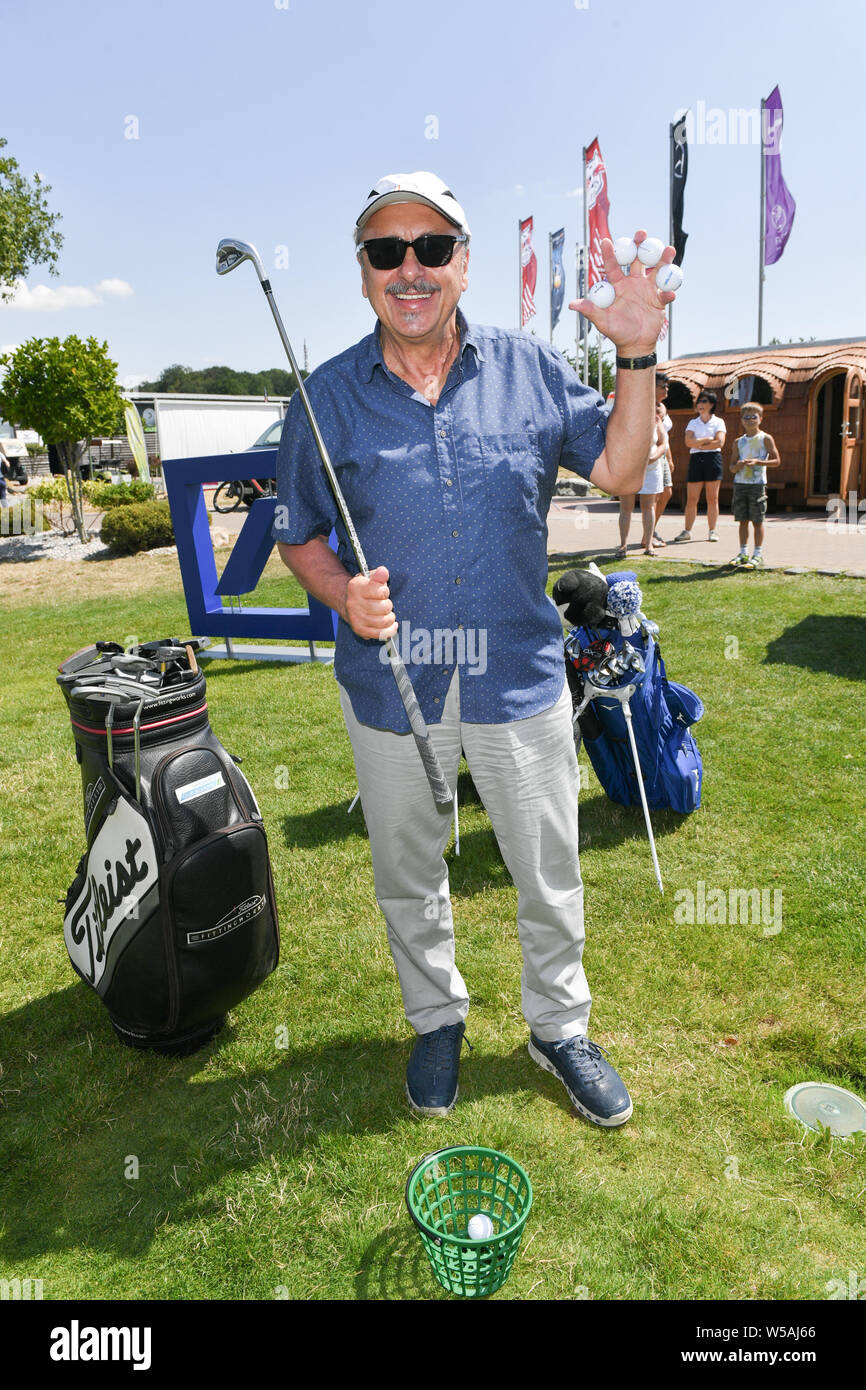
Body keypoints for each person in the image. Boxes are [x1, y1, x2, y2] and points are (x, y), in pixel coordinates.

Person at [273, 171, 678, 1128]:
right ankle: (436, 1019)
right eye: (386, 251)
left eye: (431, 249)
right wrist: (342, 594)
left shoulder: (531, 369)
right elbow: (298, 531)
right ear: (365, 271)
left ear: (464, 264)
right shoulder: (323, 396)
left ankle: (559, 1027)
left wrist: (637, 353)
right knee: (409, 872)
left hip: (521, 677)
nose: (409, 269)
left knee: (547, 867)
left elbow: (622, 469)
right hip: (390, 687)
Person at [728, 401, 780, 569]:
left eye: (753, 417)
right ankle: (743, 553)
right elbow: (731, 467)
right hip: (740, 484)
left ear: (761, 419)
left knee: (757, 520)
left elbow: (777, 461)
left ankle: (757, 554)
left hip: (757, 485)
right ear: (741, 420)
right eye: (746, 417)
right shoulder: (738, 442)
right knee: (742, 520)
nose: (750, 420)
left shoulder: (765, 438)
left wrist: (758, 462)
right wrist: (739, 466)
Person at [615, 401, 668, 557]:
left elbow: (662, 443)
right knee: (626, 508)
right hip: (629, 468)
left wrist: (653, 457)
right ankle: (623, 545)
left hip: (651, 469)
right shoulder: (624, 417)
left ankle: (649, 545)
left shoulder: (656, 420)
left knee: (648, 507)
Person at [674, 390, 726, 542]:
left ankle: (712, 531)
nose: (700, 405)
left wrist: (700, 443)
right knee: (692, 498)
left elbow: (720, 442)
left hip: (713, 459)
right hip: (696, 459)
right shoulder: (692, 422)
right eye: (699, 402)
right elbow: (688, 442)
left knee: (713, 498)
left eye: (704, 401)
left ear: (711, 404)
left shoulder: (719, 422)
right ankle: (687, 531)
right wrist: (707, 439)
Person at [652, 373, 674, 543]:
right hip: (653, 456)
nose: (666, 389)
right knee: (655, 496)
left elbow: (665, 436)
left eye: (667, 386)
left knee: (666, 493)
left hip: (663, 455)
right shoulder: (648, 406)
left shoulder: (663, 406)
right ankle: (648, 535)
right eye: (662, 386)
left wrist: (670, 458)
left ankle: (651, 530)